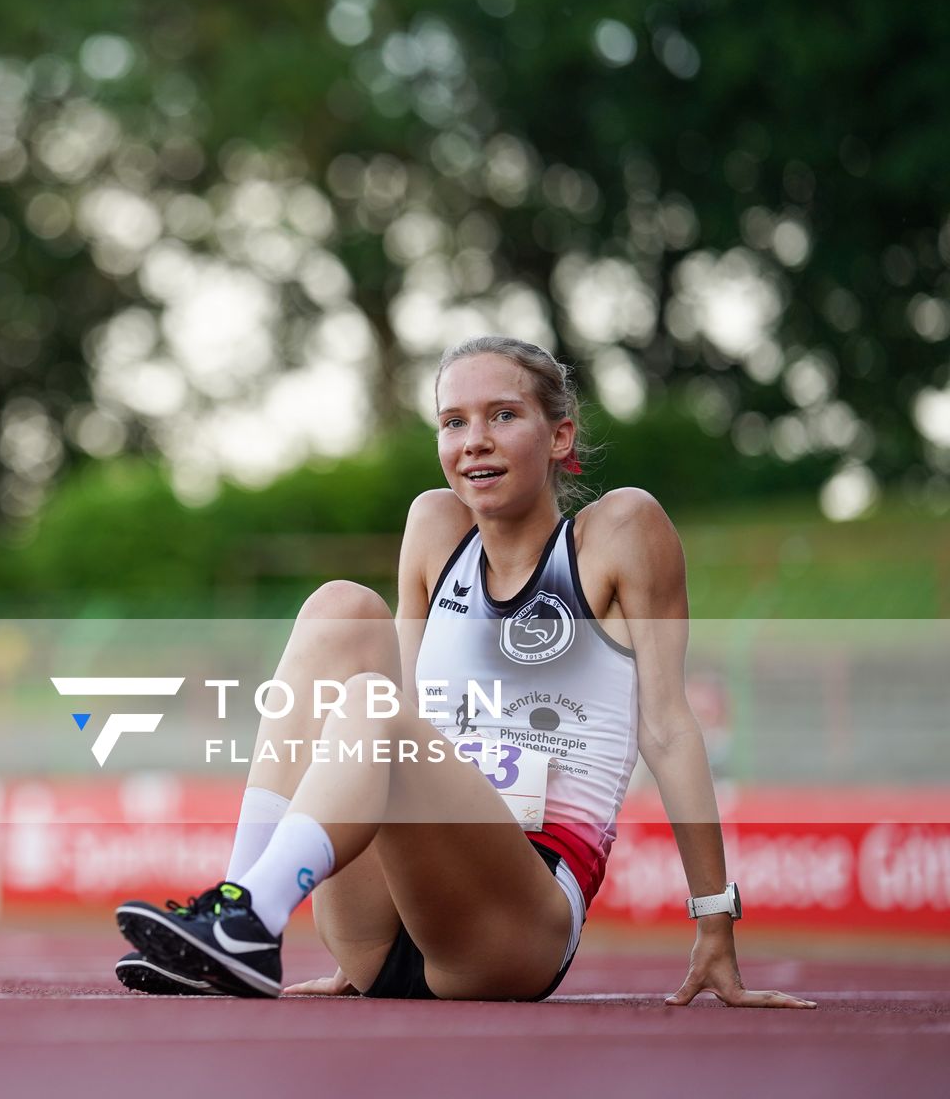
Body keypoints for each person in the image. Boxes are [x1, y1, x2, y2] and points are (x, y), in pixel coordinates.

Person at [114, 335, 814, 1008]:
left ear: (560, 437)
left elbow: (667, 729)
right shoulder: (433, 527)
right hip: (381, 927)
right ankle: (237, 916)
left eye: (503, 416)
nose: (473, 439)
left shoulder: (620, 533)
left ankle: (248, 922)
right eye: (453, 422)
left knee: (371, 707)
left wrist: (715, 922)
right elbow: (393, 726)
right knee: (340, 612)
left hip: (512, 929)